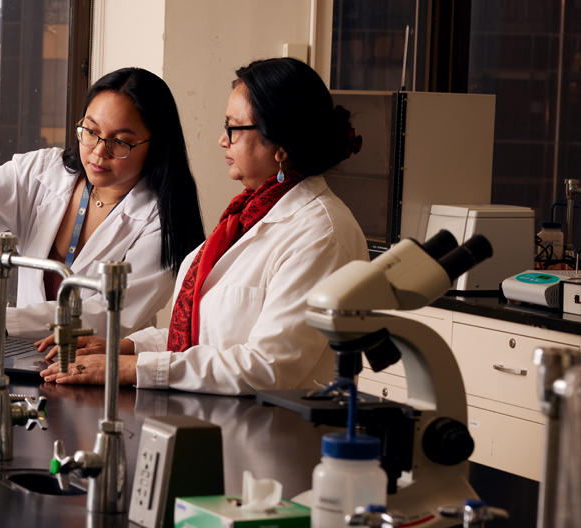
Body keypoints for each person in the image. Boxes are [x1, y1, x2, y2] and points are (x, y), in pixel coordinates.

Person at [38, 57, 368, 395]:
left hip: (275, 436)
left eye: (234, 128)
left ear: (281, 143)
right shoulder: (249, 215)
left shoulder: (321, 234)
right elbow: (204, 333)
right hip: (216, 422)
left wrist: (132, 368)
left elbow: (270, 366)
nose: (223, 140)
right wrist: (126, 347)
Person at [0, 67, 206, 340]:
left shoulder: (164, 219)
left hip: (97, 378)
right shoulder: (45, 170)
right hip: (21, 363)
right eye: (90, 131)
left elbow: (106, 318)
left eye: (120, 141)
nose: (99, 152)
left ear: (156, 145)